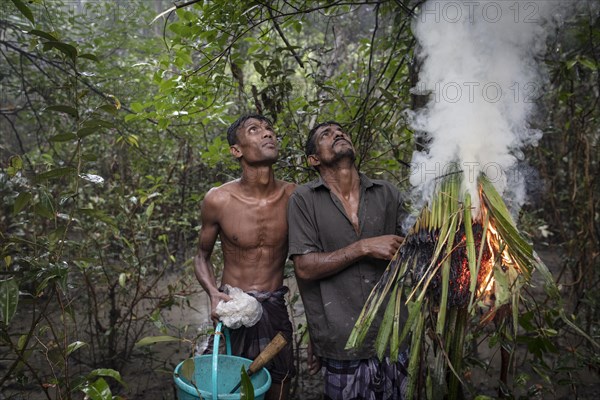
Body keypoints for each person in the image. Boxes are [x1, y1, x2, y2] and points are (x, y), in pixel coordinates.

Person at [287, 121, 409, 400]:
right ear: (313, 159)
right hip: (342, 342)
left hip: (395, 336)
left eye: (340, 131)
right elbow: (304, 268)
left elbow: (414, 251)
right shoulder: (304, 200)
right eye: (325, 135)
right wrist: (363, 247)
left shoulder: (387, 193)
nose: (338, 134)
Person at [194, 114, 296, 400]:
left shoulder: (294, 197)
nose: (267, 134)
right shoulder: (219, 199)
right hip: (232, 309)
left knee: (279, 382)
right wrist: (213, 293)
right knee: (220, 386)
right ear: (236, 151)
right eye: (255, 130)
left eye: (269, 129)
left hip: (274, 306)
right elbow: (201, 256)